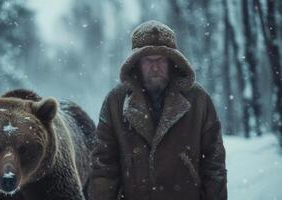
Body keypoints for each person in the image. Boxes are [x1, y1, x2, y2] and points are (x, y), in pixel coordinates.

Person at [88, 20, 227, 200]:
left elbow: (214, 164)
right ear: (136, 63)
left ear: (172, 62)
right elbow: (103, 166)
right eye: (147, 60)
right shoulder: (115, 102)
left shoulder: (199, 100)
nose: (155, 67)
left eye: (161, 59)